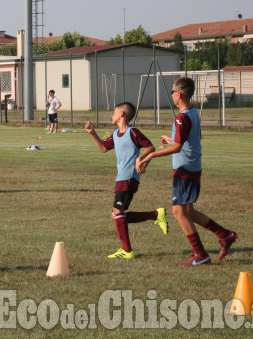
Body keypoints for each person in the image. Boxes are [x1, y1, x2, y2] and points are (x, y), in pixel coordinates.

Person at [136, 77, 237, 266]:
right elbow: (185, 140)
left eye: (173, 91)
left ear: (180, 93)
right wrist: (171, 138)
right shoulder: (191, 113)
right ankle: (225, 235)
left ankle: (200, 254)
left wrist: (150, 156)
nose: (171, 94)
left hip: (184, 169)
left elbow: (177, 148)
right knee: (188, 211)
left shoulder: (182, 116)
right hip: (192, 166)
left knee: (178, 211)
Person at [85, 102, 167, 259]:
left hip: (129, 177)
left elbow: (150, 147)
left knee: (118, 213)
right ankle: (155, 215)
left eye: (114, 112)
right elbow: (103, 148)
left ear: (121, 114)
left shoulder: (133, 132)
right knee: (116, 215)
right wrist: (92, 132)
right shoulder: (116, 134)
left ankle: (127, 251)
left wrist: (141, 160)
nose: (112, 115)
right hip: (121, 178)